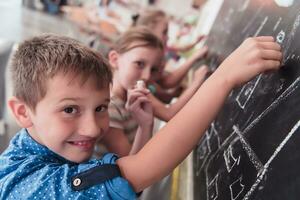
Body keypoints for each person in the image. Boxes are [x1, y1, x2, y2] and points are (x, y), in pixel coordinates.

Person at [0, 34, 282, 199]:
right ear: (23, 112)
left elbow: (129, 171)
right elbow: (140, 169)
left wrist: (145, 126)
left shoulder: (39, 146)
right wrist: (223, 78)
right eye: (70, 109)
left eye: (100, 108)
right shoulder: (31, 186)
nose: (92, 128)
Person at [133, 9, 209, 104]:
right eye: (164, 32)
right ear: (149, 34)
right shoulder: (149, 59)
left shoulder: (160, 50)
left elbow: (165, 82)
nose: (168, 37)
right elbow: (167, 82)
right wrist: (194, 60)